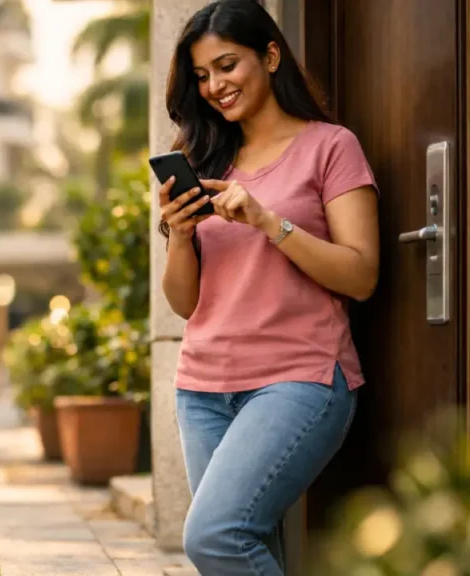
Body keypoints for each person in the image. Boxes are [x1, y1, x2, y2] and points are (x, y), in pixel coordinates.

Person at [157, 1, 379, 574]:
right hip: (203, 387)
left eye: (227, 66)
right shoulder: (203, 158)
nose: (214, 87)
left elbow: (361, 274)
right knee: (246, 546)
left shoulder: (331, 147)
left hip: (299, 378)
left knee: (214, 537)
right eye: (202, 76)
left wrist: (266, 221)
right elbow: (185, 304)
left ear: (271, 54)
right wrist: (180, 236)